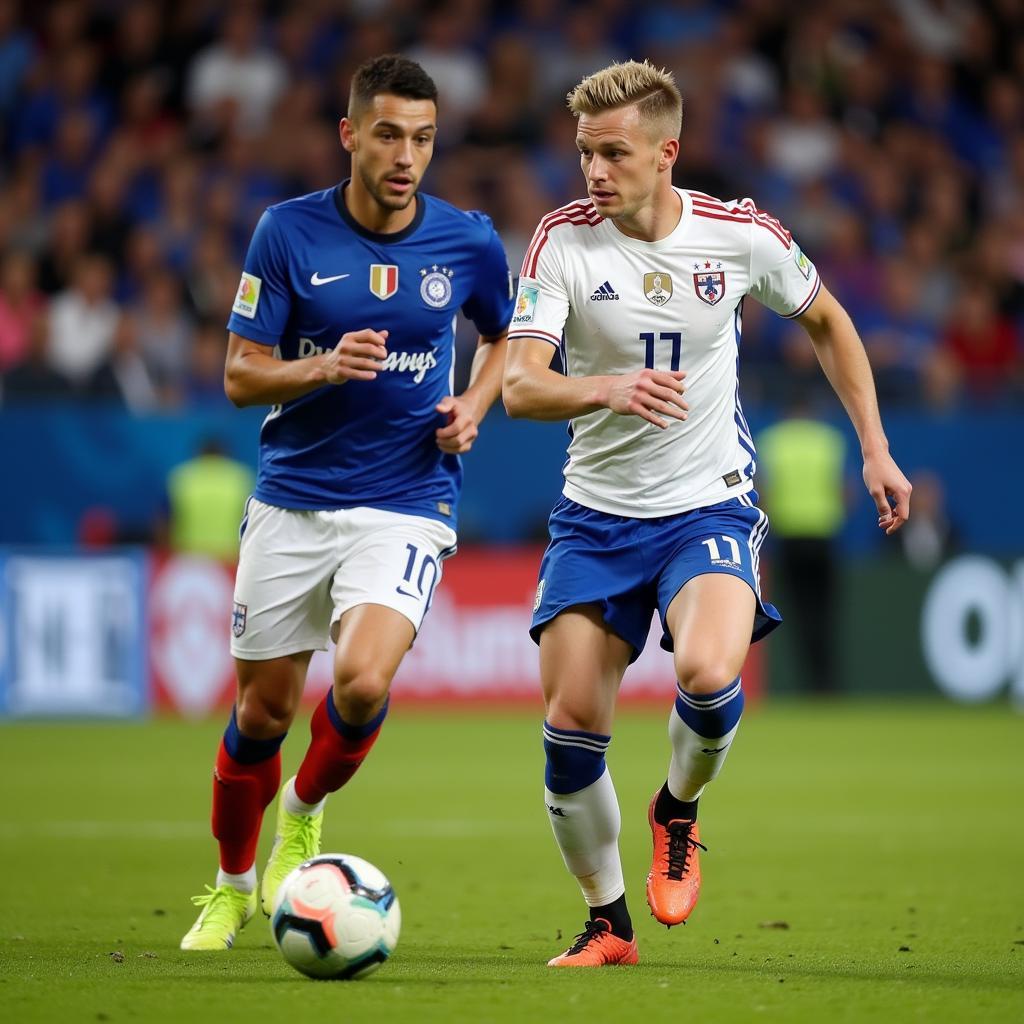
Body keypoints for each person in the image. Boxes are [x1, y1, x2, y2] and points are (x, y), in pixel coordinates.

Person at [502, 60, 911, 968]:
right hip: (596, 517)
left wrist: (876, 448)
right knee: (571, 728)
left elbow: (830, 322)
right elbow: (521, 387)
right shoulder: (561, 242)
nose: (594, 173)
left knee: (708, 670)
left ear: (666, 152)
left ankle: (676, 809)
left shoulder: (741, 235)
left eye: (613, 154)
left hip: (705, 503)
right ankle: (608, 924)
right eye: (583, 154)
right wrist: (606, 386)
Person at [181, 54, 513, 951]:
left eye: (424, 139)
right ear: (351, 135)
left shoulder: (470, 241)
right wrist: (322, 366)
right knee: (262, 715)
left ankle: (303, 813)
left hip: (406, 499)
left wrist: (473, 406)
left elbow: (508, 336)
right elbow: (241, 374)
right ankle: (231, 885)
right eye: (390, 135)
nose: (407, 156)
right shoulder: (286, 233)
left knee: (363, 682)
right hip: (293, 499)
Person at [756, 399, 847, 694]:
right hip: (823, 535)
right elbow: (844, 489)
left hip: (789, 538)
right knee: (825, 613)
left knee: (797, 613)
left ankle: (804, 686)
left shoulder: (772, 440)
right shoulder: (829, 440)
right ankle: (826, 685)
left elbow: (763, 491)